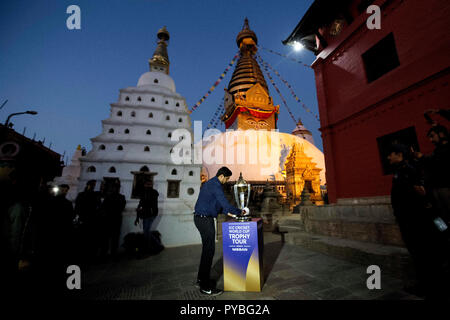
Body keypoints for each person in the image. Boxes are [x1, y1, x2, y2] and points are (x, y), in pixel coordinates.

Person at [388, 144, 448, 299]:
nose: (388, 157)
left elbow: (421, 194)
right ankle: (427, 284)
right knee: (418, 253)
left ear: (399, 154)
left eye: (391, 154)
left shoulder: (409, 170)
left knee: (423, 253)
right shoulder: (401, 171)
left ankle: (431, 286)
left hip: (415, 220)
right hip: (408, 219)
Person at [193, 166, 248, 296]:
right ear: (222, 176)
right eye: (227, 178)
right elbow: (225, 204)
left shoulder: (211, 184)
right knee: (209, 251)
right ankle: (205, 287)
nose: (226, 181)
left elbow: (219, 206)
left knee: (207, 250)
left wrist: (231, 213)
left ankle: (201, 279)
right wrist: (240, 211)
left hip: (202, 219)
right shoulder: (215, 185)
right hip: (204, 220)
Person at [74, 180, 102, 263]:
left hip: (92, 220)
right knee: (82, 240)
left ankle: (88, 258)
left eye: (93, 185)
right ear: (87, 185)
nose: (92, 186)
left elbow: (98, 207)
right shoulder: (81, 195)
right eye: (91, 185)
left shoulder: (95, 195)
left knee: (90, 240)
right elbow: (77, 207)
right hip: (83, 219)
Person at [99, 181, 126, 259]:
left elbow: (122, 207)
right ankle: (105, 253)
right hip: (108, 219)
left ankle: (113, 253)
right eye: (114, 187)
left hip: (115, 219)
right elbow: (103, 207)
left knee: (115, 238)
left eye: (117, 188)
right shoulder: (108, 196)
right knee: (106, 238)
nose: (116, 189)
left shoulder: (121, 197)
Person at [135, 181, 161, 252]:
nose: (148, 186)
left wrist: (143, 207)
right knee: (146, 231)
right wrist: (137, 217)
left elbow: (150, 203)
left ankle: (153, 246)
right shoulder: (143, 193)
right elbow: (140, 203)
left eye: (150, 184)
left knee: (146, 231)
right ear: (144, 185)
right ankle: (153, 246)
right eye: (147, 184)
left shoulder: (154, 192)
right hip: (145, 214)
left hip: (151, 214)